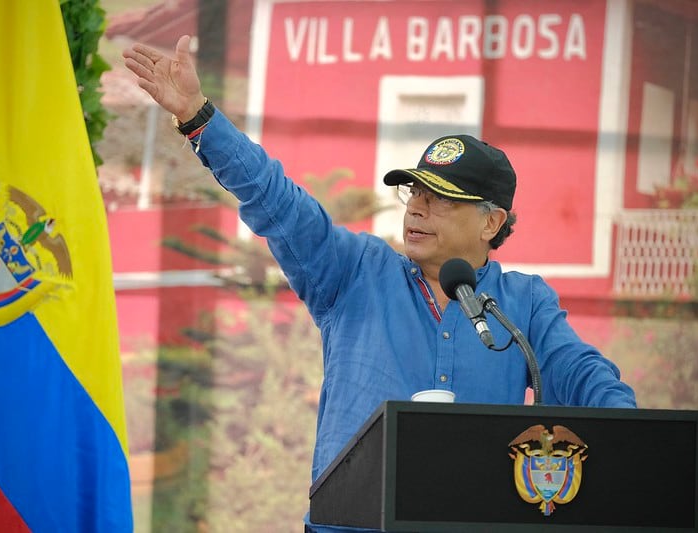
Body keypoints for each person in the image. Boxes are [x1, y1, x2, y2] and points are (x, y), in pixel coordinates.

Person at [123, 35, 636, 532]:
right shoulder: (354, 271)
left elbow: (583, 376)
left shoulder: (523, 304)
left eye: (442, 199)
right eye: (414, 192)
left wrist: (640, 442)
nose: (417, 206)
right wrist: (198, 118)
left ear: (491, 222)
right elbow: (278, 200)